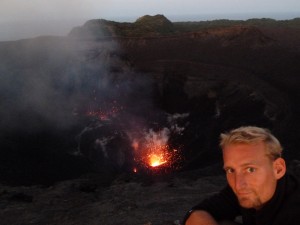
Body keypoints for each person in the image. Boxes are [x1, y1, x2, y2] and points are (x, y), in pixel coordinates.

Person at [183, 126, 300, 225]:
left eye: (250, 169)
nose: (238, 184)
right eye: (230, 170)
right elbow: (198, 212)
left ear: (278, 169)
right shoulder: (244, 189)